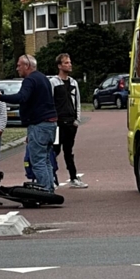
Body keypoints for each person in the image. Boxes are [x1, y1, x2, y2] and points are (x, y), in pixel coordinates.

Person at [0, 54, 57, 192]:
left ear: (27, 66)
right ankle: (50, 188)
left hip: (39, 124)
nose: (17, 68)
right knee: (46, 160)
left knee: (37, 160)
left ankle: (45, 191)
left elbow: (22, 97)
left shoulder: (30, 80)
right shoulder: (44, 78)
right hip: (51, 124)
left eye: (19, 65)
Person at [50, 53, 87, 188]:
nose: (69, 65)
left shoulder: (73, 83)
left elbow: (77, 101)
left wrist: (77, 119)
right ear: (59, 66)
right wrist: (52, 120)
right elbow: (50, 102)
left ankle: (73, 177)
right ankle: (52, 178)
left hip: (71, 123)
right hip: (58, 123)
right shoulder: (53, 83)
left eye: (69, 62)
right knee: (55, 150)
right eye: (66, 63)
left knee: (68, 151)